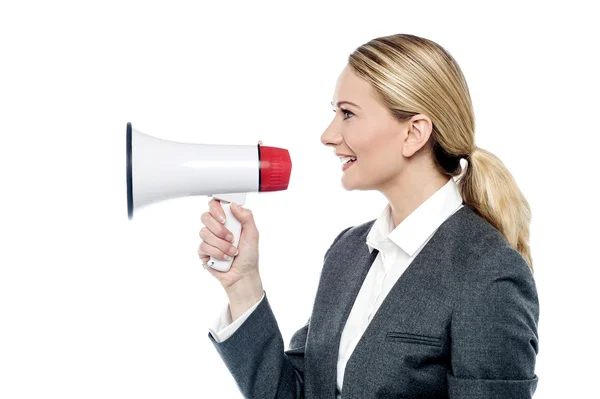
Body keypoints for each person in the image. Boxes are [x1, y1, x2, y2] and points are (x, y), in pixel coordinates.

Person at [197, 33, 539, 399]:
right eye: (335, 113)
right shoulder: (347, 251)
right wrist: (242, 284)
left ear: (414, 132)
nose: (328, 135)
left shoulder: (488, 272)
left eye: (348, 114)